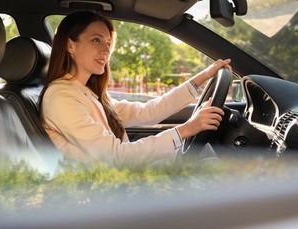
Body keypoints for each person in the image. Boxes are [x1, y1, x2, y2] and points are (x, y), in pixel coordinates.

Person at [39, 11, 232, 165]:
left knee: (209, 157)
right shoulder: (61, 97)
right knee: (213, 165)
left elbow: (149, 111)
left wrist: (202, 78)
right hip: (105, 193)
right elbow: (115, 156)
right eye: (95, 40)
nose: (106, 51)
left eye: (108, 43)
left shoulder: (87, 92)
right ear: (70, 45)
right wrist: (187, 129)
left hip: (120, 178)